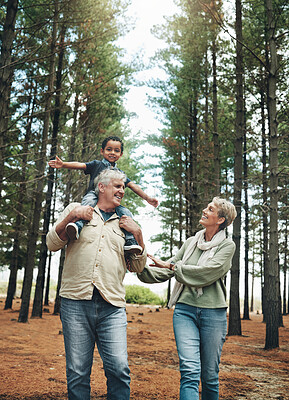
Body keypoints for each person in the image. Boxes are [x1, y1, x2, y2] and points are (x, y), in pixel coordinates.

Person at [46, 169, 147, 400]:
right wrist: (72, 217)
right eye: (117, 186)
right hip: (75, 303)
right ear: (101, 187)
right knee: (78, 372)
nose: (122, 190)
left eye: (123, 187)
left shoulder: (127, 222)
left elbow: (138, 268)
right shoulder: (76, 210)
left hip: (112, 306)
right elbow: (51, 243)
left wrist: (138, 234)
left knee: (119, 368)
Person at [138, 197, 237, 400]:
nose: (204, 210)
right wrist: (140, 269)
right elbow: (168, 271)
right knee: (190, 371)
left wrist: (172, 266)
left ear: (220, 219)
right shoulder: (191, 242)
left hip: (214, 313)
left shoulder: (227, 246)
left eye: (210, 209)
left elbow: (206, 273)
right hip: (184, 311)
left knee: (209, 376)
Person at [48, 135, 158, 255]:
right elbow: (81, 165)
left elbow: (132, 186)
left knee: (126, 213)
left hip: (111, 202)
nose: (112, 153)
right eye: (109, 149)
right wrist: (63, 164)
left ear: (121, 154)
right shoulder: (97, 165)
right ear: (102, 151)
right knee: (87, 204)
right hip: (94, 194)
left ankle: (130, 241)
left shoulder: (120, 173)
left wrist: (147, 198)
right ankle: (77, 226)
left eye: (116, 151)